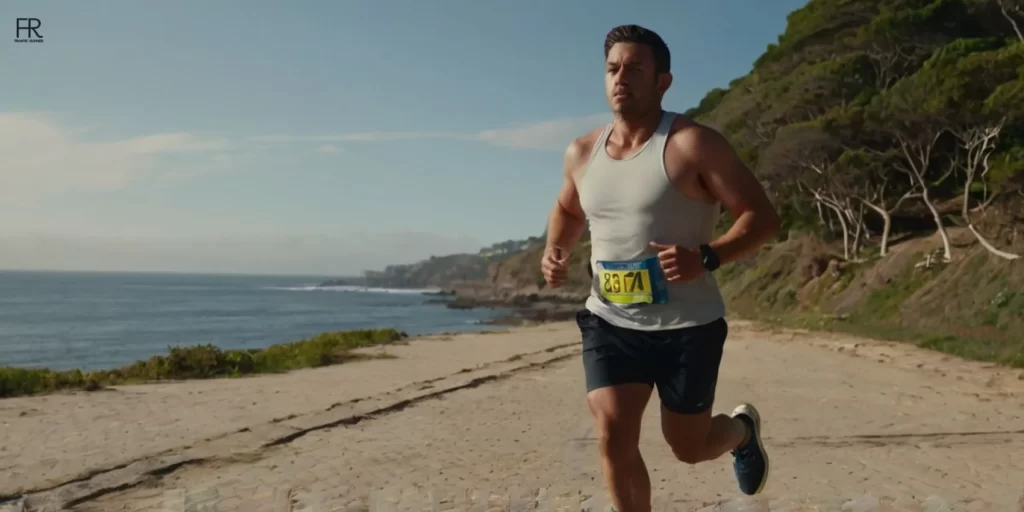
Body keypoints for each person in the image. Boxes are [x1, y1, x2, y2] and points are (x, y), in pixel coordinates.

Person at [540, 24, 781, 511]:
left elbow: (762, 217)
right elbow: (569, 210)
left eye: (635, 68)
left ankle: (740, 432)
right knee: (611, 429)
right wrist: (556, 249)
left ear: (663, 81)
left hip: (687, 327)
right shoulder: (582, 152)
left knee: (688, 447)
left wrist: (708, 257)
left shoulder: (694, 144)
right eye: (612, 68)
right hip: (610, 319)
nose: (620, 77)